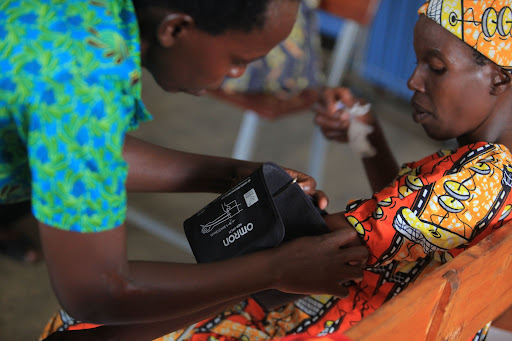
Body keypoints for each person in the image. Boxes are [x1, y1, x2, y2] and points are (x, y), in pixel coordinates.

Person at [40, 0, 512, 340]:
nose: (412, 81)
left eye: (435, 66)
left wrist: (274, 255)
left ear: (499, 77)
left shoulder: (481, 171)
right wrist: (365, 135)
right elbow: (408, 223)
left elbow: (304, 253)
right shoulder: (486, 174)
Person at [0, 0, 370, 340]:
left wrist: (232, 175)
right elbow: (95, 291)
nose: (235, 75)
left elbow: (86, 150)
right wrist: (274, 269)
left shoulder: (93, 19)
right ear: (175, 29)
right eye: (237, 59)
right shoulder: (82, 83)